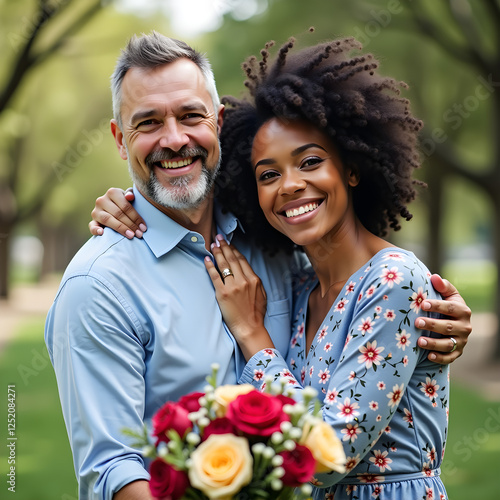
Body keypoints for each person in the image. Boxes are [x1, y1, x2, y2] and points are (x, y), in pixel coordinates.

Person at [47, 32, 470, 500]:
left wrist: (253, 335)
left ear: (218, 123)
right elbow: (112, 470)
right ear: (120, 140)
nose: (174, 138)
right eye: (147, 123)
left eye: (190, 115)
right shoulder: (100, 285)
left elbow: (335, 440)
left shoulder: (278, 252)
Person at [203, 37, 457, 498]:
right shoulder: (301, 286)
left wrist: (254, 338)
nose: (290, 185)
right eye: (268, 174)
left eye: (311, 162)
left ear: (352, 169)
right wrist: (129, 207)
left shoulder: (393, 281)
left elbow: (329, 454)